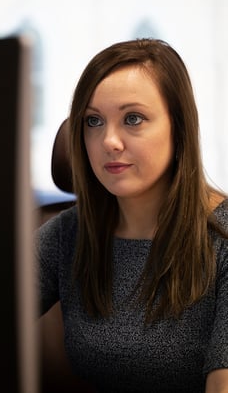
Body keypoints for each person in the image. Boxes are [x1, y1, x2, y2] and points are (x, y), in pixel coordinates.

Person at [35, 38, 228, 393]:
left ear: (179, 127)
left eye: (133, 118)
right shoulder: (68, 232)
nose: (109, 141)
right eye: (93, 121)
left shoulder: (223, 240)